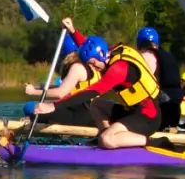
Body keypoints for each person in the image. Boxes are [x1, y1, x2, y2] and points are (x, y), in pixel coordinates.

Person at [32, 36, 161, 149]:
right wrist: (72, 31)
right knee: (96, 104)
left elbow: (89, 92)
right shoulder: (108, 53)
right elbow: (87, 43)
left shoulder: (118, 69)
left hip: (148, 117)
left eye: (93, 63)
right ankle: (104, 136)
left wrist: (53, 106)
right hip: (131, 112)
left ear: (100, 54)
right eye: (90, 64)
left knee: (107, 139)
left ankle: (156, 142)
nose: (94, 68)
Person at [22, 20, 96, 120]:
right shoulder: (92, 66)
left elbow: (60, 93)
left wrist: (33, 92)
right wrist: (41, 87)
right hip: (88, 111)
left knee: (32, 109)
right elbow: (67, 88)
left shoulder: (78, 68)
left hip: (81, 113)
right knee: (34, 107)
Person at [135, 27, 185, 129]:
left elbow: (142, 84)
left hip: (161, 112)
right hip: (174, 111)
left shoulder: (147, 55)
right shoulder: (167, 56)